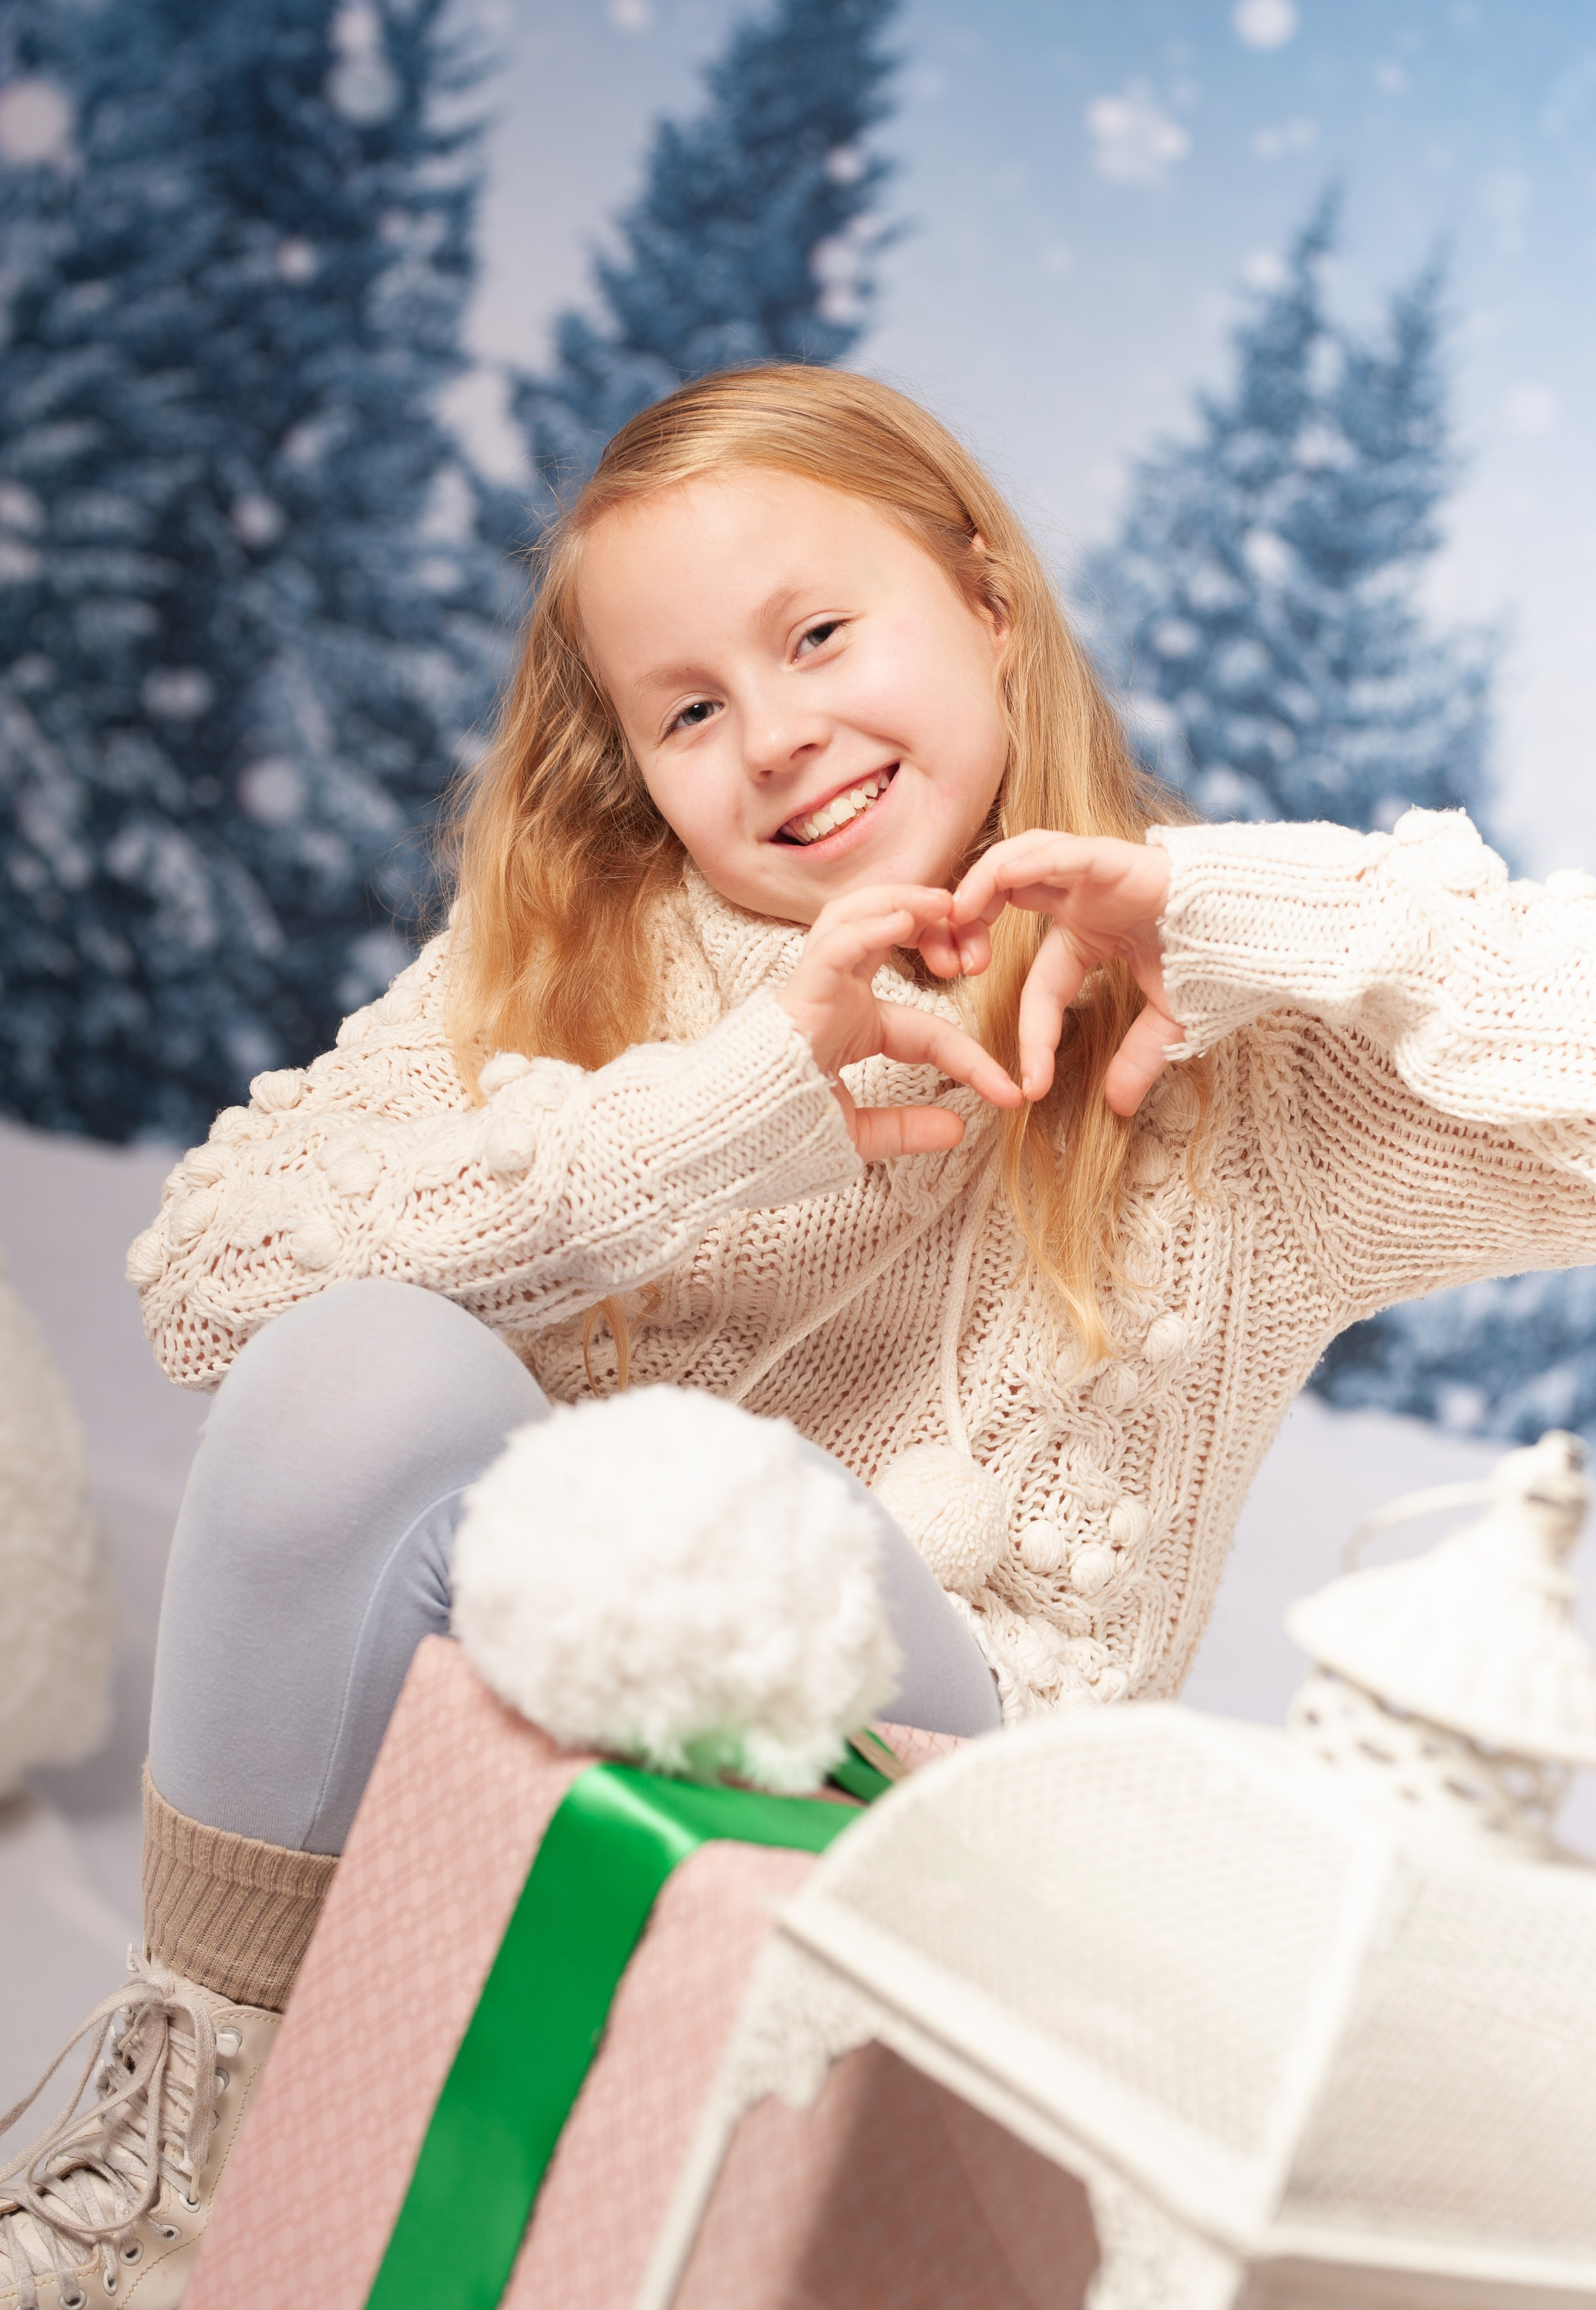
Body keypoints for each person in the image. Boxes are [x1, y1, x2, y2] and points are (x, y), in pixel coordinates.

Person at [7, 363, 1596, 2301]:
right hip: (508, 1766)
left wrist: (1269, 910)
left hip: (922, 1852)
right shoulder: (588, 956)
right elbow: (212, 1291)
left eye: (820, 633)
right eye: (689, 709)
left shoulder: (1240, 1069)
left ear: (987, 604)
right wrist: (737, 1104)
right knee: (365, 1367)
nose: (775, 737)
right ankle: (185, 2152)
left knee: (727, 1504)